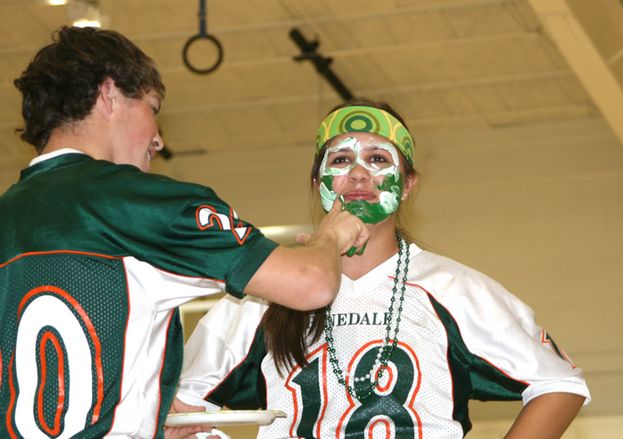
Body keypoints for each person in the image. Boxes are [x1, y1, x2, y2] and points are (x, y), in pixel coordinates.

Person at [0, 26, 369, 439]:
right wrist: (330, 236)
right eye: (152, 108)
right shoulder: (138, 203)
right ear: (109, 94)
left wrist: (147, 402)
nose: (157, 138)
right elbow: (310, 284)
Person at [173, 99, 591, 438]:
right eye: (340, 160)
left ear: (408, 184)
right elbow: (180, 405)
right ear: (318, 180)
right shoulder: (266, 292)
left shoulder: (451, 288)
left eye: (377, 158)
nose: (358, 173)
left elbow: (561, 385)